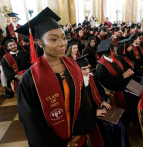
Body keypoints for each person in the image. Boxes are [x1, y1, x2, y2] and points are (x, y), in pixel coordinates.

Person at [15, 7, 95, 147]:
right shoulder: (30, 78)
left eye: (64, 37)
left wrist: (79, 131)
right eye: (53, 39)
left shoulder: (73, 66)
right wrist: (59, 143)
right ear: (40, 43)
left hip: (76, 132)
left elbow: (82, 99)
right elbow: (31, 120)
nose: (62, 43)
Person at [76, 55, 131, 147]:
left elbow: (101, 91)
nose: (87, 71)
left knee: (120, 123)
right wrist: (94, 113)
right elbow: (76, 109)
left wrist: (103, 101)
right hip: (89, 117)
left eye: (88, 68)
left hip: (101, 107)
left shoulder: (91, 78)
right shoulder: (75, 86)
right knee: (114, 127)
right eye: (84, 69)